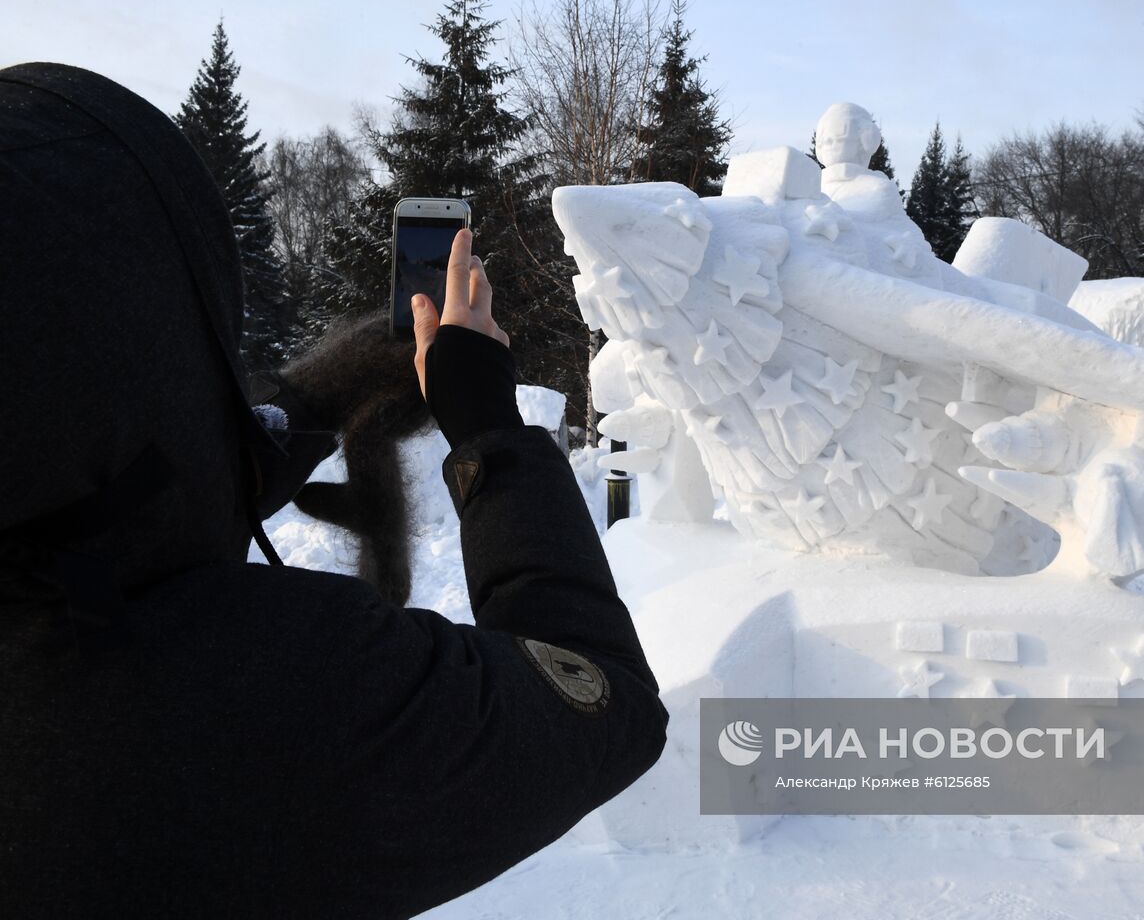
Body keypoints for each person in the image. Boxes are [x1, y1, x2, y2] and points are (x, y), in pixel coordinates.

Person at [0, 62, 668, 919]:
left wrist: (320, 394)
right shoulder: (249, 691)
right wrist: (489, 429)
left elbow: (107, 487)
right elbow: (603, 704)